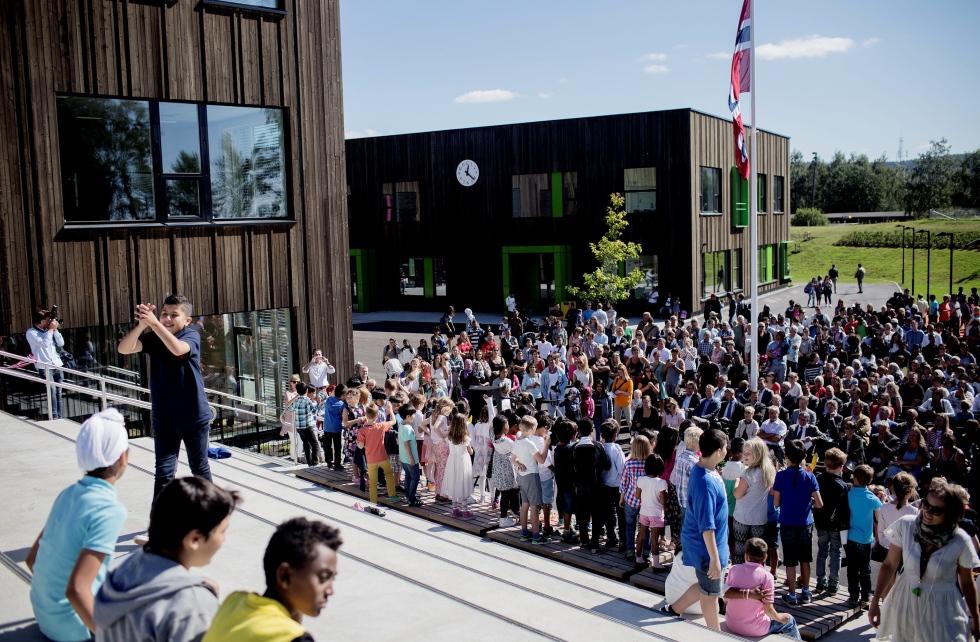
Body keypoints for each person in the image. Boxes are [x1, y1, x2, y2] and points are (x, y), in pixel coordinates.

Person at [94, 477, 241, 642]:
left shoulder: (124, 570)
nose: (224, 539)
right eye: (222, 531)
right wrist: (199, 596)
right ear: (194, 540)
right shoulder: (193, 606)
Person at [28, 409, 129, 642]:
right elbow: (77, 590)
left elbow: (33, 558)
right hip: (73, 630)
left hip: (45, 616)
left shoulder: (68, 494)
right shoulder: (109, 509)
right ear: (122, 457)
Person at [118, 294, 212, 500]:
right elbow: (124, 349)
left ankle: (212, 519)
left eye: (173, 315)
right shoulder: (153, 338)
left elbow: (178, 350)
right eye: (163, 314)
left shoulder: (191, 335)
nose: (167, 319)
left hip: (194, 416)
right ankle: (158, 528)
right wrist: (142, 325)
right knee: (164, 473)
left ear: (187, 320)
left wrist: (154, 324)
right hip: (165, 419)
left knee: (200, 470)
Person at [870, 479, 980, 642]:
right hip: (907, 601)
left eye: (936, 510)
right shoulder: (906, 525)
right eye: (926, 505)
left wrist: (976, 620)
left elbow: (967, 583)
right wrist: (875, 602)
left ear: (951, 513)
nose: (928, 512)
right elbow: (889, 565)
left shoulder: (959, 540)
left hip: (942, 606)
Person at [202, 517, 341, 642]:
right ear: (285, 576)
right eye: (323, 578)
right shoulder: (293, 638)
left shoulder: (234, 602)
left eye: (332, 579)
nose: (330, 591)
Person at [660, 428, 730, 632]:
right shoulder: (705, 482)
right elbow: (706, 526)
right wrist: (715, 559)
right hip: (707, 548)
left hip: (711, 545)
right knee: (710, 596)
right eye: (725, 447)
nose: (727, 450)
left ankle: (674, 609)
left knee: (705, 583)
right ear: (718, 451)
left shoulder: (706, 470)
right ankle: (715, 635)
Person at [772, 438, 824, 605]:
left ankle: (792, 594)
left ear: (787, 456)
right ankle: (807, 592)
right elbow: (819, 503)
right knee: (805, 559)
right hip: (805, 523)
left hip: (787, 522)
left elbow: (776, 503)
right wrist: (808, 501)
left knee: (790, 561)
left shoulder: (780, 476)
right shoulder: (810, 477)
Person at [723, 538, 802, 640]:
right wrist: (780, 618)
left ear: (746, 555)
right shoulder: (767, 577)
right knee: (790, 620)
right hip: (755, 629)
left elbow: (726, 599)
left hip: (731, 624)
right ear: (765, 557)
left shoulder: (734, 569)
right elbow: (768, 610)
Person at [732, 437, 776, 564]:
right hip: (760, 518)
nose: (744, 455)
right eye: (743, 452)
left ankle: (739, 578)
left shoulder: (747, 474)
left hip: (743, 517)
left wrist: (736, 482)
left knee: (740, 550)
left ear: (757, 455)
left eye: (747, 453)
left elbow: (737, 495)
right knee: (757, 552)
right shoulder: (769, 470)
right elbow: (772, 491)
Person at [813, 447, 849, 596]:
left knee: (822, 551)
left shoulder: (819, 479)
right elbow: (845, 509)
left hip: (821, 522)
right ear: (841, 467)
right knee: (836, 552)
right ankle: (833, 584)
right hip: (836, 526)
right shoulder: (842, 485)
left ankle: (820, 581)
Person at [846, 464, 883, 609]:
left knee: (852, 569)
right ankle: (865, 597)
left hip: (851, 537)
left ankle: (853, 596)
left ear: (854, 479)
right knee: (865, 569)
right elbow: (879, 517)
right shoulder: (872, 498)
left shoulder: (849, 494)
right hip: (866, 539)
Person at [513, 415, 547, 544]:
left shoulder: (517, 442)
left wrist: (519, 464)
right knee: (534, 506)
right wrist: (546, 444)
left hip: (522, 476)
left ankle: (524, 532)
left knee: (524, 505)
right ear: (532, 429)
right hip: (532, 476)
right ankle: (536, 535)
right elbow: (542, 460)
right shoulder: (531, 443)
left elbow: (513, 459)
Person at [356, 404, 399, 506]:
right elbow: (394, 421)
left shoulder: (362, 430)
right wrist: (391, 410)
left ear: (366, 414)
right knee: (389, 475)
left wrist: (358, 442)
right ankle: (392, 496)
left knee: (373, 482)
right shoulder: (381, 426)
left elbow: (361, 446)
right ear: (377, 416)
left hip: (371, 460)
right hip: (383, 457)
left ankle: (373, 501)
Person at [25, 306, 64, 418]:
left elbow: (61, 343)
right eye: (47, 320)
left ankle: (59, 416)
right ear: (42, 321)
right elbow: (44, 343)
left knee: (59, 393)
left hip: (57, 364)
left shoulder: (49, 331)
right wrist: (51, 329)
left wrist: (55, 330)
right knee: (51, 392)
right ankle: (55, 416)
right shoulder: (31, 332)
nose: (49, 322)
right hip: (45, 367)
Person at [620, 435, 653, 560]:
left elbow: (624, 483)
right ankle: (646, 551)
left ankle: (630, 550)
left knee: (629, 526)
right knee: (646, 527)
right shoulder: (650, 463)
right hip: (646, 501)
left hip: (631, 499)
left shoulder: (629, 463)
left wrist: (621, 498)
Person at [634, 454, 668, 567]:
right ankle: (656, 564)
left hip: (644, 512)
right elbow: (663, 501)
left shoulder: (641, 480)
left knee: (641, 535)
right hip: (656, 514)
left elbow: (637, 496)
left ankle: (638, 558)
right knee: (654, 538)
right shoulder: (661, 483)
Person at [443, 412, 474, 518]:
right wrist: (471, 449)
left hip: (452, 461)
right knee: (463, 484)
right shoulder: (465, 438)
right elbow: (470, 452)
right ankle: (465, 510)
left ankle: (455, 509)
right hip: (463, 462)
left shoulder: (450, 437)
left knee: (454, 483)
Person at [288, 382, 320, 467]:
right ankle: (314, 462)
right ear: (306, 390)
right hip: (307, 426)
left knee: (306, 443)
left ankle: (309, 462)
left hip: (299, 427)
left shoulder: (296, 400)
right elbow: (314, 411)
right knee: (315, 444)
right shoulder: (307, 400)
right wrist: (318, 404)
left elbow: (290, 409)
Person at [397, 404, 423, 507]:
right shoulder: (408, 428)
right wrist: (412, 458)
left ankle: (408, 495)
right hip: (410, 459)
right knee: (415, 478)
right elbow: (407, 444)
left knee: (408, 476)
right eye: (413, 415)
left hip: (403, 458)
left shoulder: (401, 424)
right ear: (408, 416)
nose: (414, 417)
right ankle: (412, 499)